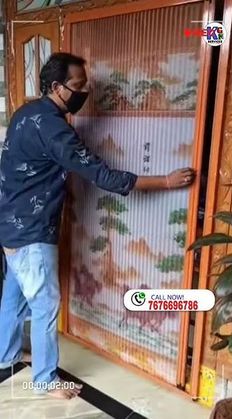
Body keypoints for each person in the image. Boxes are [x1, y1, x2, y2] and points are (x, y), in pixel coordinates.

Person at [0, 53, 195, 399]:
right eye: (78, 86)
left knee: (13, 294)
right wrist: (164, 181)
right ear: (57, 87)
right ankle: (44, 380)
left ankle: (7, 354)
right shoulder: (54, 128)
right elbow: (103, 175)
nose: (84, 91)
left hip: (9, 224)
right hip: (32, 230)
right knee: (45, 304)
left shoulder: (26, 112)